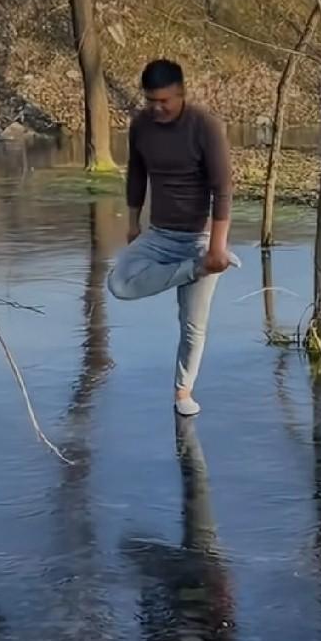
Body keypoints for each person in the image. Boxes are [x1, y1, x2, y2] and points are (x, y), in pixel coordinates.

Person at [108, 59, 238, 416]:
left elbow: (222, 189)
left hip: (200, 238)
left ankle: (183, 391)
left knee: (192, 324)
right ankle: (194, 270)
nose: (157, 108)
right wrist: (133, 223)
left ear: (181, 93)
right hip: (160, 235)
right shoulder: (141, 126)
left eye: (164, 101)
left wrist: (216, 248)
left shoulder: (205, 127)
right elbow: (136, 174)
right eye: (150, 101)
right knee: (119, 283)